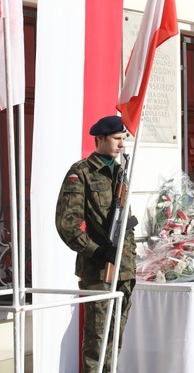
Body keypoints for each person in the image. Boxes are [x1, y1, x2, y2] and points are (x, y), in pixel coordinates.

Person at [55, 115, 136, 373]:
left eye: (123, 139)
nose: (121, 145)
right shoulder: (81, 173)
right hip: (99, 271)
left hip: (124, 269)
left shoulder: (121, 172)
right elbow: (67, 224)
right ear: (99, 139)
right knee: (97, 341)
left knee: (116, 339)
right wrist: (98, 250)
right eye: (115, 139)